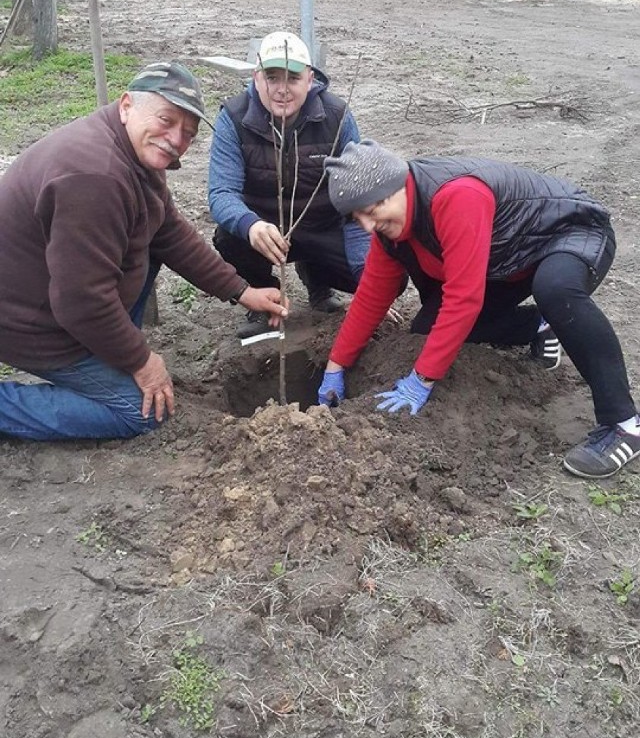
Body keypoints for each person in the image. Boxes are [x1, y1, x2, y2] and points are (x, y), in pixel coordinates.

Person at [316, 140, 640, 480]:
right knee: (427, 327)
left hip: (570, 234)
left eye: (372, 210)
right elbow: (371, 297)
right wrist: (335, 367)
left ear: (397, 187)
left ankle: (623, 424)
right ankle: (539, 325)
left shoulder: (455, 195)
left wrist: (421, 380)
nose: (368, 226)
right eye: (358, 218)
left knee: (556, 290)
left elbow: (463, 298)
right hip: (508, 260)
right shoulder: (391, 232)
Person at [0, 62, 287, 442]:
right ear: (126, 106)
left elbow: (168, 230)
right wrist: (141, 361)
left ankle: (110, 349)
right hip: (31, 323)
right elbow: (81, 300)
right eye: (166, 120)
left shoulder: (132, 148)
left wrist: (241, 290)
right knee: (142, 413)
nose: (175, 139)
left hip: (58, 298)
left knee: (148, 242)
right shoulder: (94, 177)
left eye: (188, 132)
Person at [208, 30, 370, 340]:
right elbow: (221, 193)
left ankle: (317, 280)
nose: (282, 89)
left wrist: (370, 284)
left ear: (310, 80)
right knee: (230, 235)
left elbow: (358, 198)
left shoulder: (336, 117)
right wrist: (251, 226)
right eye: (272, 77)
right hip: (265, 234)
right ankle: (263, 298)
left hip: (323, 228)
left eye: (293, 79)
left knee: (387, 277)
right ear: (257, 78)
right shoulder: (234, 118)